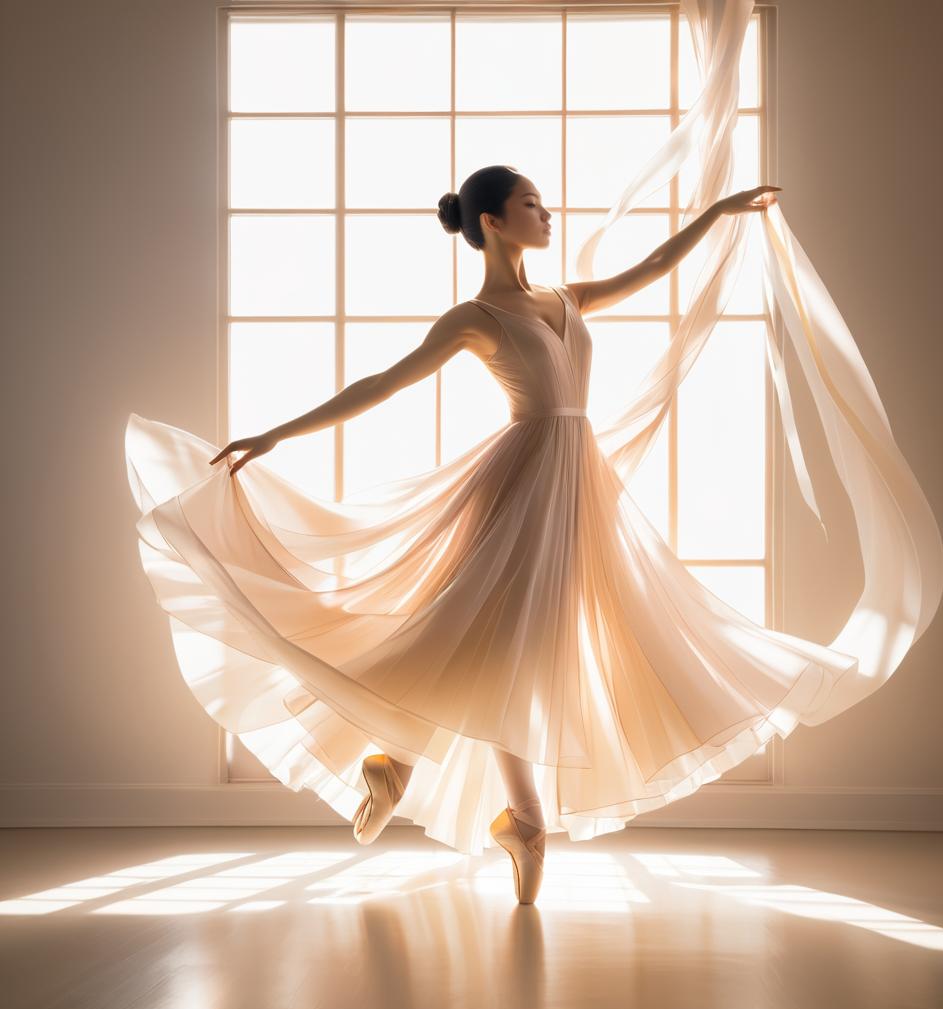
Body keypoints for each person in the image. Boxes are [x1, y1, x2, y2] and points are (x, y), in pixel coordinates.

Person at [202, 165, 781, 903]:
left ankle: (414, 766)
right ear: (493, 224)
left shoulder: (565, 298)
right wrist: (277, 435)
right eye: (531, 203)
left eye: (542, 201)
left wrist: (724, 211)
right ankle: (512, 813)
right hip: (522, 484)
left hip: (576, 487)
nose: (548, 211)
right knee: (508, 646)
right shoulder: (475, 318)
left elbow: (658, 266)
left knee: (520, 649)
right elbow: (382, 384)